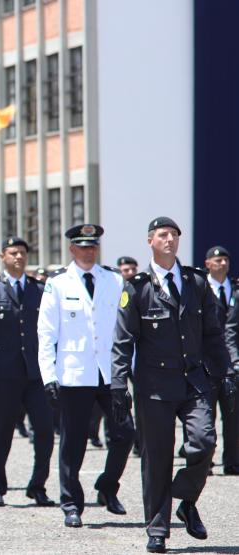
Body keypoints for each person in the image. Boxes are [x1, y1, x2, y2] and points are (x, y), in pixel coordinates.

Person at [111, 217, 232, 553]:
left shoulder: (195, 282)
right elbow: (123, 342)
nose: (170, 240)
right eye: (163, 235)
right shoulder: (136, 288)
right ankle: (158, 529)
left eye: (174, 235)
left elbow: (212, 333)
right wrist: (118, 386)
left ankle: (186, 499)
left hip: (194, 380)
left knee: (204, 442)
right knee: (157, 459)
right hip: (154, 386)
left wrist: (226, 373)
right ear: (150, 241)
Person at [37, 225, 134, 527]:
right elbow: (46, 333)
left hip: (109, 374)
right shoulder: (58, 284)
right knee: (73, 443)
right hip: (74, 374)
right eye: (83, 247)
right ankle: (71, 503)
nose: (89, 251)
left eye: (93, 246)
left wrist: (129, 370)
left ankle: (107, 486)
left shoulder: (114, 280)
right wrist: (48, 375)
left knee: (125, 433)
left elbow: (126, 328)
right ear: (72, 249)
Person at [0, 237, 55, 508]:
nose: (19, 257)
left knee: (44, 430)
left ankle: (38, 485)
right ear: (2, 256)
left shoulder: (39, 289)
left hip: (35, 373)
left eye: (23, 253)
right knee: (0, 430)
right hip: (2, 374)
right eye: (13, 253)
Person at [205, 246, 239, 475]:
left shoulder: (236, 290)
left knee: (234, 416)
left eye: (225, 259)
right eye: (218, 260)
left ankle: (232, 461)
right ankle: (203, 461)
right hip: (206, 364)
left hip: (233, 365)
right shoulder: (199, 288)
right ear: (208, 263)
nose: (223, 263)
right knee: (205, 417)